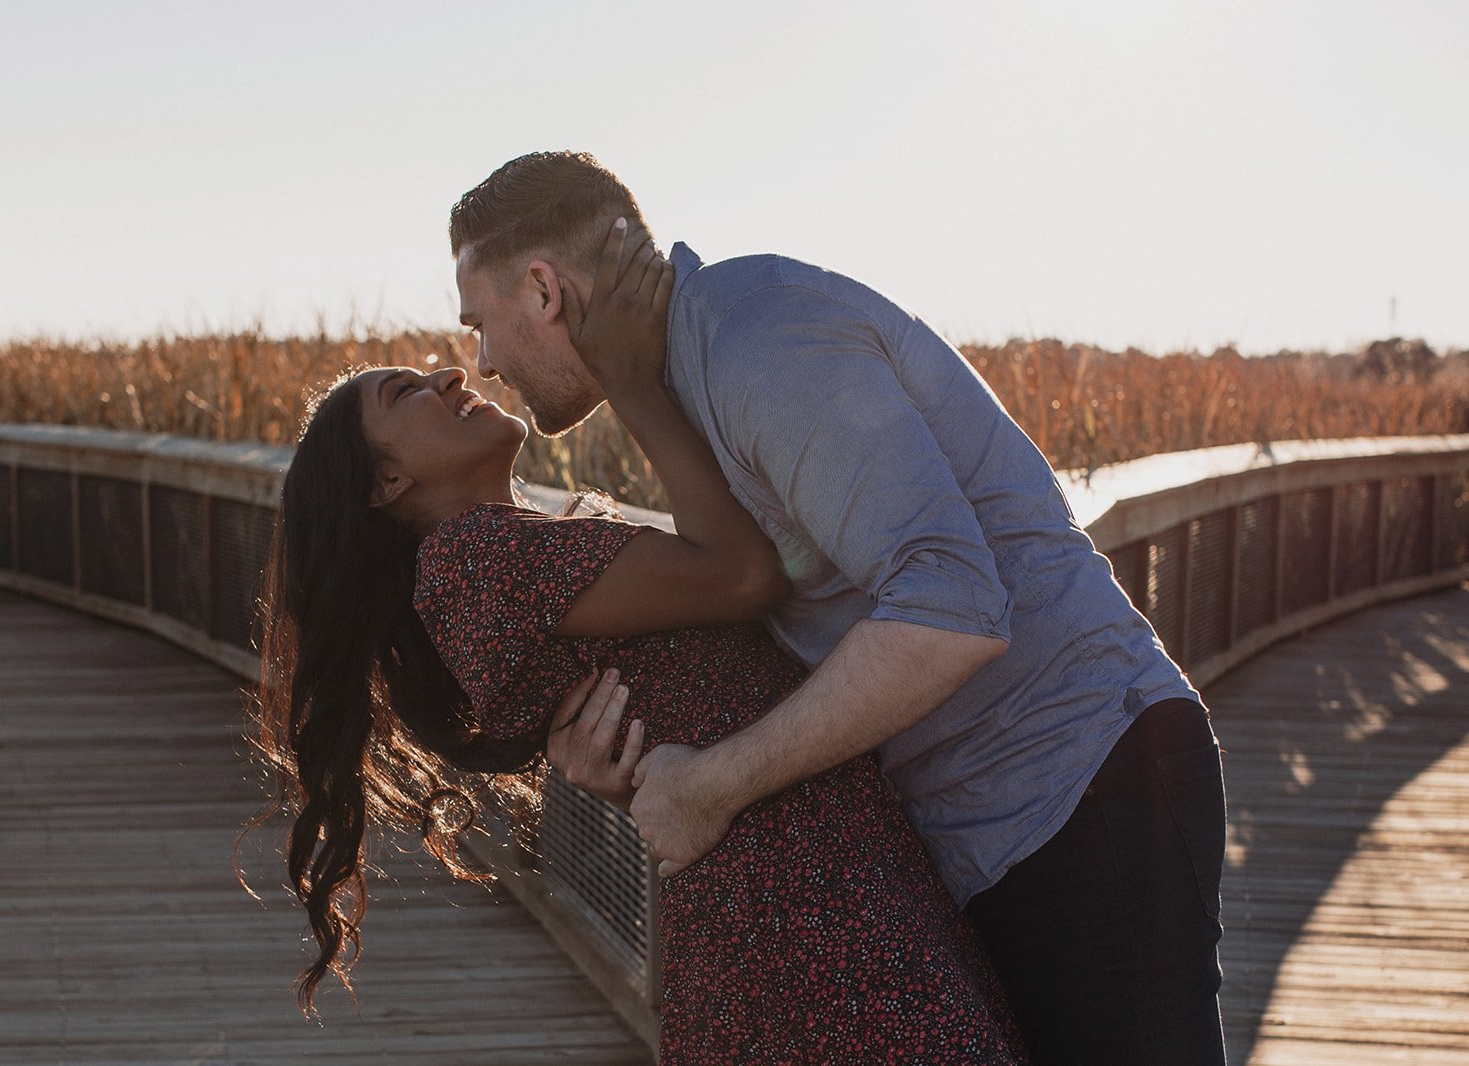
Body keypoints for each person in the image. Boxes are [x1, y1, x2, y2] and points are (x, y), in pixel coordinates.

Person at [449, 151, 1228, 1065]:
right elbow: (768, 608)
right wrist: (629, 755)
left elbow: (953, 609)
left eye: (480, 325)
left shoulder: (758, 340)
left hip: (1079, 792)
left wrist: (714, 784)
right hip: (980, 832)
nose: (484, 362)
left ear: (542, 289)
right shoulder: (687, 377)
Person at [250, 226, 1027, 1062]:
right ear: (389, 481)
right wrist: (630, 377)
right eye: (407, 393)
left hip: (792, 887)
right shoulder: (476, 559)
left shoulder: (510, 549)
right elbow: (742, 576)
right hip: (796, 906)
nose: (449, 373)